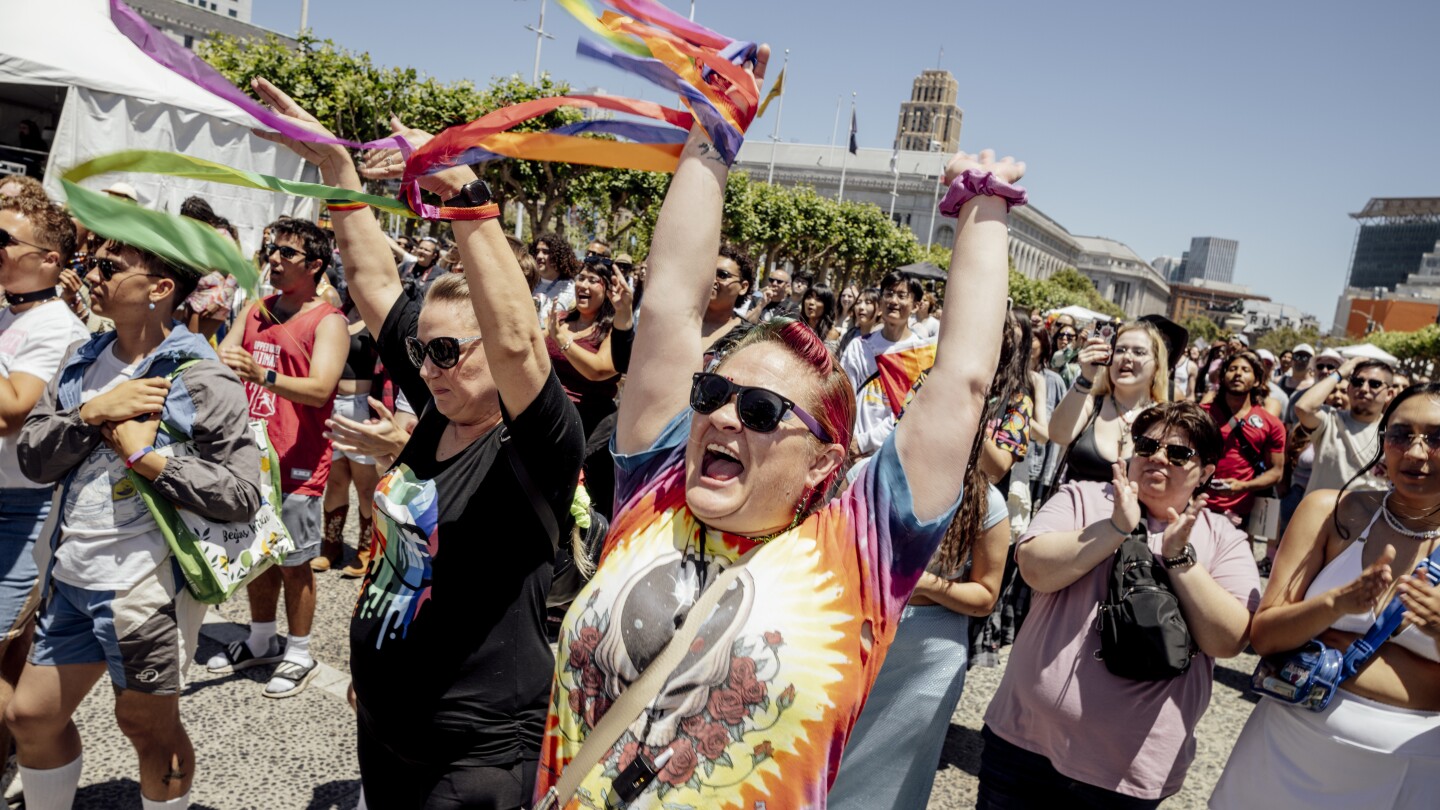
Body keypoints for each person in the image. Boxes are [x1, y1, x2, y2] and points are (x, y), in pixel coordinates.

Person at [535, 52, 1017, 807]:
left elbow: (959, 383)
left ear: (826, 462)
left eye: (760, 411)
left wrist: (984, 212)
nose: (725, 414)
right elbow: (669, 306)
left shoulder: (858, 555)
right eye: (714, 392)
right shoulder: (654, 487)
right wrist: (711, 138)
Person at [256, 79, 584, 809]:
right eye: (421, 350)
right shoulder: (441, 406)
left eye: (444, 351)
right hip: (388, 726)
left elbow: (522, 347)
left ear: (488, 352)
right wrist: (338, 171)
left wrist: (465, 195)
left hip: (476, 755)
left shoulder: (536, 444)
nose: (424, 365)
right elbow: (371, 278)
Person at [10, 234, 261, 810]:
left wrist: (147, 460)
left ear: (160, 289)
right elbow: (32, 458)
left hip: (145, 587)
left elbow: (243, 492)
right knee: (31, 716)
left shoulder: (200, 375)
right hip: (70, 576)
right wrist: (90, 414)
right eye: (91, 262)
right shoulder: (82, 359)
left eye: (109, 266)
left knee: (147, 729)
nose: (90, 273)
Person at [979, 402, 1261, 808]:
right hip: (1024, 741)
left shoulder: (1223, 538)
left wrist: (1180, 558)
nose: (1158, 458)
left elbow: (1229, 640)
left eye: (1179, 453)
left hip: (1128, 770)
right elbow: (1034, 569)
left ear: (1207, 472)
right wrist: (1114, 528)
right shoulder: (1083, 497)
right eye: (1147, 446)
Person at [1209, 384, 1440, 808]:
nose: (1417, 452)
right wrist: (1335, 604)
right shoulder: (1329, 512)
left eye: (1437, 437)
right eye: (1401, 434)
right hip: (1286, 749)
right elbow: (1264, 637)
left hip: (1408, 769)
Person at [206, 217, 347, 699]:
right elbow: (226, 356)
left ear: (315, 265)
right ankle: (262, 638)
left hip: (298, 459)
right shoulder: (256, 308)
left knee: (295, 560)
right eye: (273, 250)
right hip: (248, 458)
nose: (275, 260)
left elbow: (321, 388)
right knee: (256, 555)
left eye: (287, 253)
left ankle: (300, 651)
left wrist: (262, 375)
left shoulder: (328, 321)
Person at [0, 196, 89, 786]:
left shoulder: (59, 327)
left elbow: (11, 410)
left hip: (22, 511)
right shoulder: (8, 314)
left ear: (48, 260)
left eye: (2, 240)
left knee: (9, 673)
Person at [545, 255, 632, 519]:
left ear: (607, 290)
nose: (583, 284)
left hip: (589, 427)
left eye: (593, 280)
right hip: (549, 418)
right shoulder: (560, 319)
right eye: (581, 277)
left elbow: (599, 370)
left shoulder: (610, 330)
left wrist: (563, 341)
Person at [1047, 320, 1170, 487]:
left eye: (1139, 352)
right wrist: (1086, 377)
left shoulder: (1166, 419)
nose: (1127, 357)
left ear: (1157, 364)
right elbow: (1058, 435)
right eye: (1119, 350)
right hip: (1073, 509)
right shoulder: (1091, 402)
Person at [314, 304, 380, 576]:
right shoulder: (336, 313)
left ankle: (367, 549)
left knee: (366, 485)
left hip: (361, 406)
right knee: (336, 478)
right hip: (331, 404)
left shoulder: (377, 313)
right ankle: (332, 545)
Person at [839, 270, 935, 457]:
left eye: (902, 296)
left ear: (915, 306)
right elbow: (843, 397)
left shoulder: (922, 354)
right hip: (853, 453)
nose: (893, 301)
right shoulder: (860, 347)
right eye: (888, 294)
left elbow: (911, 414)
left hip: (894, 457)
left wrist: (865, 442)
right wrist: (850, 441)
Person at [1200, 351, 1286, 531]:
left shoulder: (1271, 424)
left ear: (1256, 381)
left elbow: (1276, 472)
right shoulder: (1200, 414)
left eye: (1246, 370)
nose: (1238, 373)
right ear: (1223, 378)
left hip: (1240, 514)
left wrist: (1243, 486)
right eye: (1233, 369)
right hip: (1197, 505)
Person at [1292, 356, 1395, 494]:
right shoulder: (1330, 419)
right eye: (1357, 382)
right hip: (1320, 513)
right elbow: (1303, 408)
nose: (1364, 389)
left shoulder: (1395, 432)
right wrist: (1341, 372)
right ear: (1349, 388)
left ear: (1389, 394)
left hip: (1367, 514)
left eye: (1374, 384)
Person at [700, 243, 754, 358]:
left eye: (722, 275)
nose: (713, 280)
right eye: (709, 272)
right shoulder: (680, 319)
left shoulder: (748, 337)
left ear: (743, 287)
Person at [532, 232, 579, 325]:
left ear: (558, 256)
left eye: (545, 252)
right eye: (537, 252)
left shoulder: (569, 288)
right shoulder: (530, 282)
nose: (539, 256)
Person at [835, 287, 880, 357]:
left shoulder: (884, 339)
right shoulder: (849, 335)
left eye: (868, 303)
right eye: (858, 302)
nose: (861, 307)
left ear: (880, 310)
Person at [798, 282, 841, 347]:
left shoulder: (831, 334)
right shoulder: (795, 325)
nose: (811, 302)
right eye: (809, 297)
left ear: (827, 306)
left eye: (818, 299)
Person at [1049, 322, 1081, 387]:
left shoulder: (1081, 360)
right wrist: (1073, 347)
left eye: (1069, 337)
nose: (1064, 338)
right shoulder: (1049, 357)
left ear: (1076, 339)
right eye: (1061, 335)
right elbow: (1057, 360)